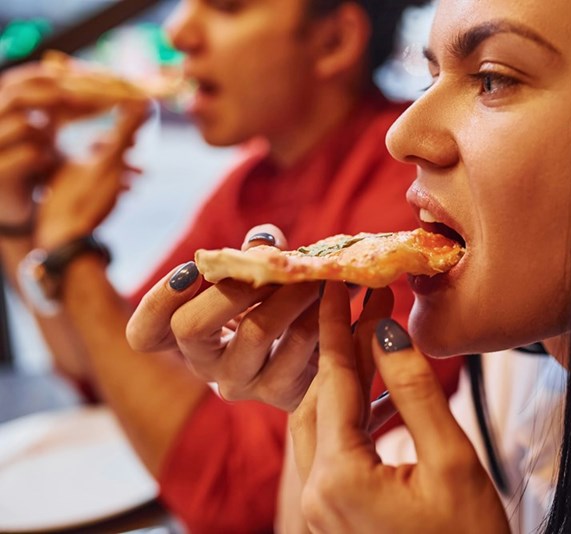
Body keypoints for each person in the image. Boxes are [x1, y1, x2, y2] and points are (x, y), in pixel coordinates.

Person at [128, 0, 571, 532]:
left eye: (491, 79)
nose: (402, 134)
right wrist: (322, 401)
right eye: (429, 76)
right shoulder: (515, 377)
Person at [0, 0, 464, 532]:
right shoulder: (252, 183)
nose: (177, 31)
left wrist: (70, 251)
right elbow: (102, 366)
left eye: (225, 6)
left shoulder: (408, 204)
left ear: (334, 42)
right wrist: (16, 222)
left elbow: (242, 503)